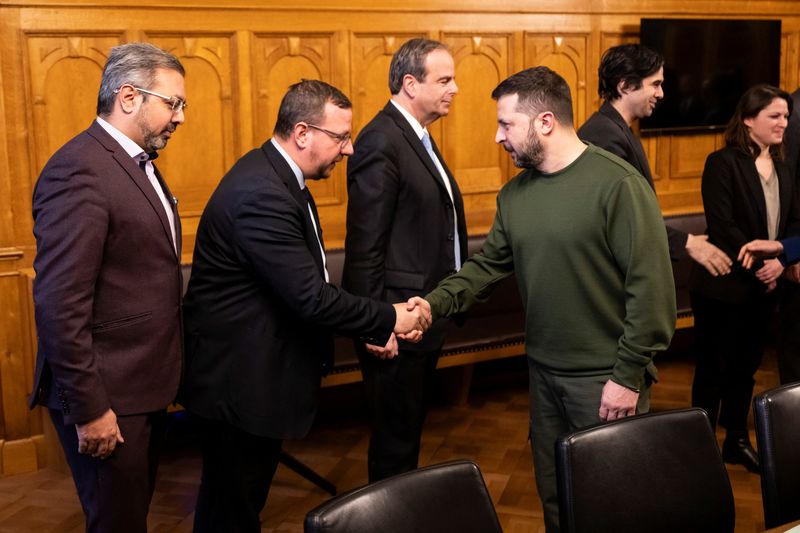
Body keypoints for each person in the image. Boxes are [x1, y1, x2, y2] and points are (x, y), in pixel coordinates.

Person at [422, 66, 675, 532]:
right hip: (543, 374)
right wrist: (431, 305)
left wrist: (627, 375)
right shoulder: (515, 196)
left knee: (613, 504)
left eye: (506, 124)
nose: (499, 137)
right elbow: (487, 267)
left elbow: (652, 291)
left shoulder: (618, 185)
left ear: (544, 122)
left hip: (606, 380)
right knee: (555, 495)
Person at [181, 79, 431, 533]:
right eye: (341, 138)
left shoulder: (279, 178)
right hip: (239, 381)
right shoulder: (261, 192)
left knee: (239, 503)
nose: (349, 149)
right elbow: (310, 297)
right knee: (230, 511)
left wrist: (371, 328)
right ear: (302, 133)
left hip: (255, 375)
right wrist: (389, 317)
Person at [29, 43, 187, 532]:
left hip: (142, 386)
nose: (180, 117)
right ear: (127, 96)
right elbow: (60, 302)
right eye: (173, 103)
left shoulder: (137, 162)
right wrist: (92, 408)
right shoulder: (79, 169)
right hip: (107, 394)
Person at [342, 38, 467, 482]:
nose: (455, 88)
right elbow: (364, 243)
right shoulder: (382, 139)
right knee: (395, 445)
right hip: (396, 320)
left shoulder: (414, 136)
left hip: (419, 316)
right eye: (445, 79)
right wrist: (375, 322)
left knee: (406, 436)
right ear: (410, 84)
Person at [689, 84, 800, 472]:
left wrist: (782, 259)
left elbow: (795, 223)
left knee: (746, 369)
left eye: (786, 116)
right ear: (749, 119)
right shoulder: (722, 163)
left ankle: (735, 439)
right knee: (713, 369)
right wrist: (762, 267)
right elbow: (724, 227)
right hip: (723, 288)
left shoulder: (785, 168)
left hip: (765, 287)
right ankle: (698, 449)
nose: (783, 123)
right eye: (775, 116)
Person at [578, 44, 732, 276]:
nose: (661, 94)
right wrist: (686, 242)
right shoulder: (604, 135)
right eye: (656, 84)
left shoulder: (616, 129)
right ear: (625, 86)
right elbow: (623, 218)